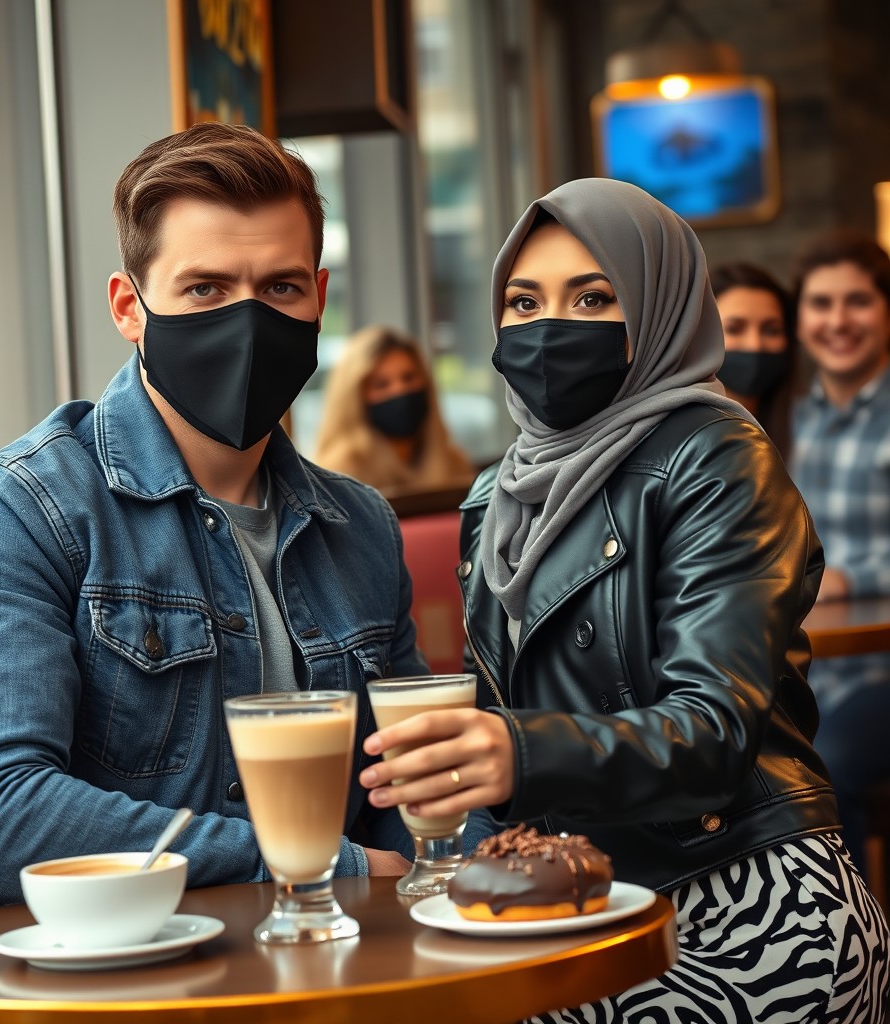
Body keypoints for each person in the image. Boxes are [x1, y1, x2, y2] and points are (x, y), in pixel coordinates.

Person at [0, 122, 491, 917]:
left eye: (280, 288)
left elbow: (413, 781)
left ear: (319, 302)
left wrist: (495, 859)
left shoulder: (357, 524)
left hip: (322, 966)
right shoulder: (16, 508)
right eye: (205, 289)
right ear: (130, 307)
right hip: (89, 984)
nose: (246, 320)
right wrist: (311, 861)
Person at [359, 179, 889, 1019]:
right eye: (522, 301)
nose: (547, 329)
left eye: (593, 297)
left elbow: (714, 729)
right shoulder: (497, 496)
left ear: (659, 306)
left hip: (744, 910)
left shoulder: (716, 457)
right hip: (580, 906)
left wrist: (516, 751)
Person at [789, 228, 890, 883]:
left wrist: (856, 577)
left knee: (817, 772)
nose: (838, 321)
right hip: (808, 672)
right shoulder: (794, 420)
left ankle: (851, 959)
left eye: (857, 301)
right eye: (821, 304)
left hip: (881, 672)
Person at [313, 324, 473, 494]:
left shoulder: (454, 462)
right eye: (381, 385)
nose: (400, 391)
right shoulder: (337, 476)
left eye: (409, 377)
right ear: (354, 399)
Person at [712, 261, 796, 458]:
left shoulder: (806, 425)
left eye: (771, 330)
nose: (754, 345)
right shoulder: (676, 434)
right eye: (734, 329)